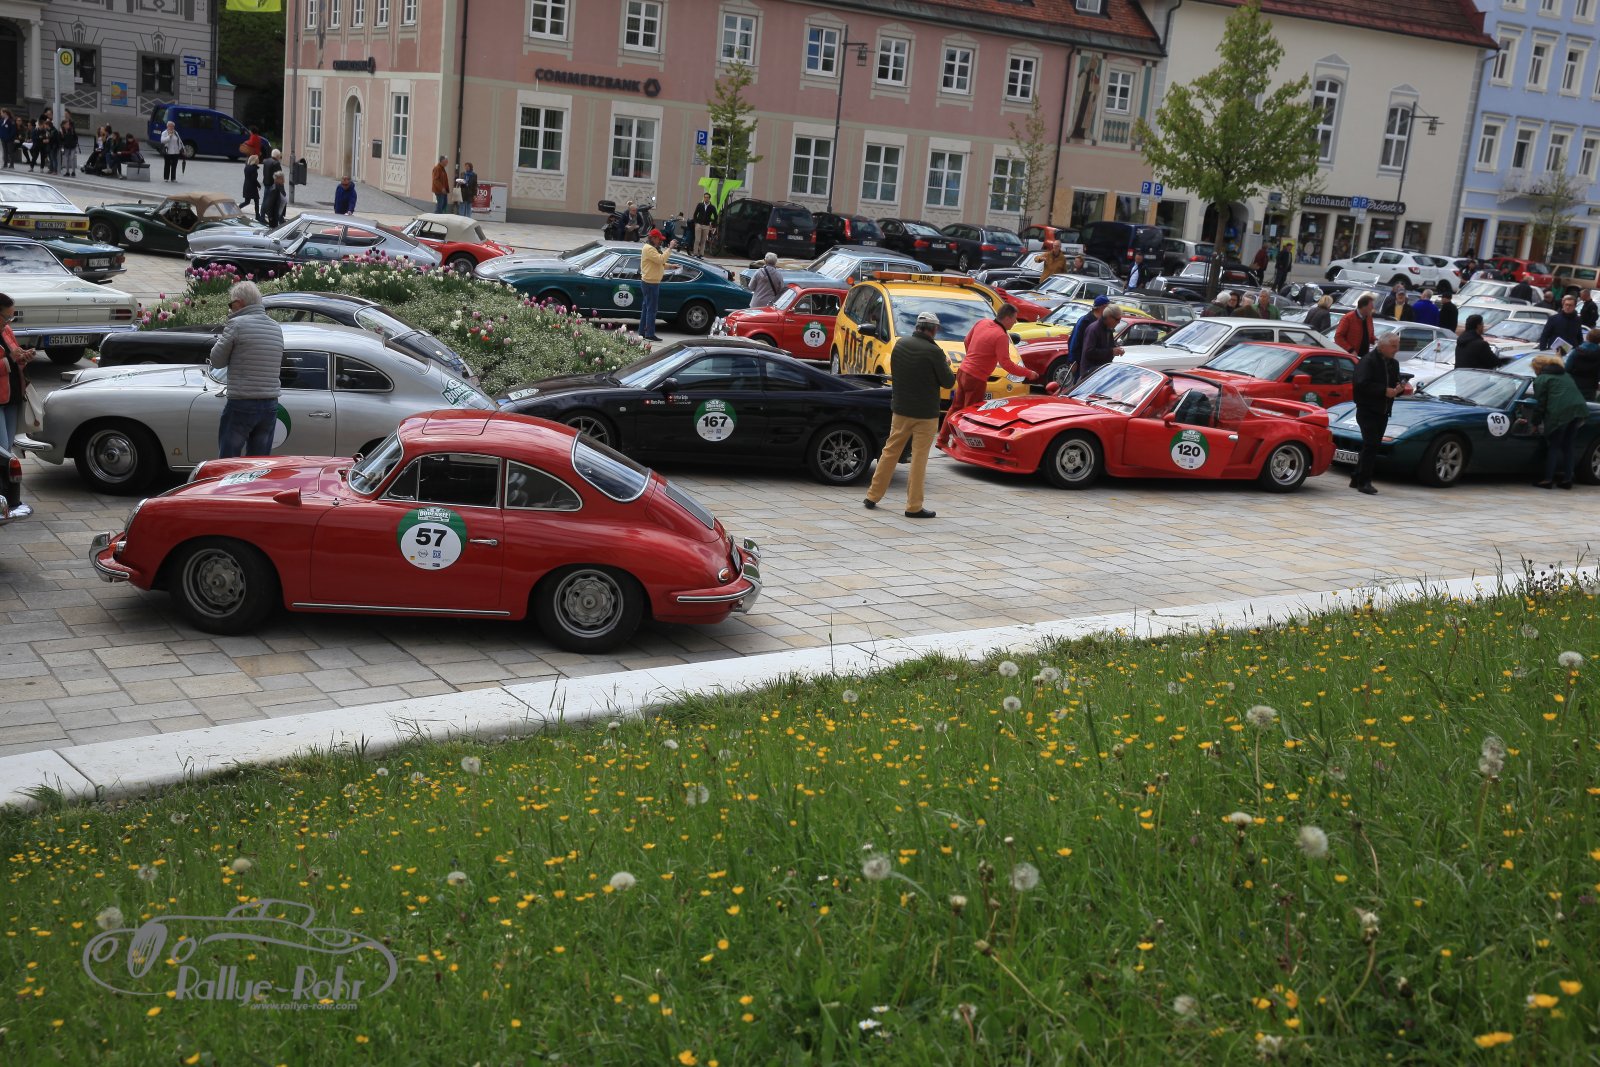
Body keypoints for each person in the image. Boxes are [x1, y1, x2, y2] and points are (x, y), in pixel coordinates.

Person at [863, 311, 952, 519]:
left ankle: (872, 495)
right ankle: (914, 506)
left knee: (890, 452)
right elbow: (948, 382)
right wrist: (946, 365)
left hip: (901, 410)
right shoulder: (934, 352)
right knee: (919, 459)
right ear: (934, 329)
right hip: (926, 414)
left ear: (917, 327)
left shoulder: (900, 345)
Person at [938, 304, 1035, 448]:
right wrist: (1028, 373)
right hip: (976, 378)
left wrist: (972, 357)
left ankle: (942, 439)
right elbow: (1006, 364)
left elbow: (966, 341)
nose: (1015, 322)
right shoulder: (1001, 336)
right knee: (969, 414)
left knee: (955, 407)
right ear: (1007, 318)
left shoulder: (982, 322)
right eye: (1014, 319)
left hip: (963, 371)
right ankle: (961, 446)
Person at [210, 282, 285, 458]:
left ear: (239, 303)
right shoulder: (276, 327)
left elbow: (217, 360)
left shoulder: (236, 325)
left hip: (242, 402)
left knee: (229, 461)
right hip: (270, 404)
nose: (230, 309)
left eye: (231, 304)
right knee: (258, 462)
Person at [1350, 332, 1406, 495]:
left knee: (1372, 445)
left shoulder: (1393, 363)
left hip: (1383, 410)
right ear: (1382, 346)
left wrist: (1399, 389)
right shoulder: (1368, 361)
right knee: (1371, 445)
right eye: (1393, 346)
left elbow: (1394, 383)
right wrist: (1383, 391)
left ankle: (1356, 477)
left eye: (1398, 346)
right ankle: (1364, 482)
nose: (1396, 349)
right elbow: (1361, 384)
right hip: (1367, 409)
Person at [1528, 353, 1589, 489]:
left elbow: (1540, 404)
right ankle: (1567, 479)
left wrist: (1535, 423)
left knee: (1554, 446)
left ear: (1537, 368)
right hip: (1579, 410)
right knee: (1568, 446)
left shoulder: (1542, 379)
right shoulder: (1566, 375)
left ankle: (1548, 480)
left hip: (1560, 413)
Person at [0, 293, 38, 449]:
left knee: (8, 446)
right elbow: (10, 359)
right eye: (6, 317)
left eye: (11, 318)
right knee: (2, 448)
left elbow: (15, 359)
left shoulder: (6, 330)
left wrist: (24, 357)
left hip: (13, 397)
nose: (9, 322)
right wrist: (11, 359)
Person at [638, 228, 673, 342]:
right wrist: (670, 248)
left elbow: (658, 263)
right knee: (651, 309)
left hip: (649, 282)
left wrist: (671, 266)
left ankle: (642, 332)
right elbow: (660, 259)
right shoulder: (649, 249)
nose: (660, 241)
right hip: (651, 283)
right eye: (659, 239)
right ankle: (649, 334)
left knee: (646, 308)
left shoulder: (650, 248)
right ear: (653, 238)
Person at [1065, 295, 1110, 381]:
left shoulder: (1104, 323)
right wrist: (1072, 361)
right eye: (1108, 307)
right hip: (1082, 364)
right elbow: (1074, 341)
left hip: (1097, 365)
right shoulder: (1085, 321)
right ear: (1103, 307)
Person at [1079, 306, 1124, 382]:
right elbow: (1088, 352)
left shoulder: (1108, 329)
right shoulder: (1094, 329)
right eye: (1117, 319)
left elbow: (1109, 347)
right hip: (1090, 374)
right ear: (1109, 317)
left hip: (1102, 371)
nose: (1119, 322)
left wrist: (1116, 350)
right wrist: (1111, 351)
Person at [1565, 328, 1600, 400]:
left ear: (1587, 337)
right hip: (1590, 387)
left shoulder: (1576, 351)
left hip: (1574, 384)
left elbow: (1567, 368)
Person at [692, 193, 717, 257]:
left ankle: (701, 254)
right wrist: (695, 222)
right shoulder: (700, 205)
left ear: (709, 198)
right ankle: (695, 253)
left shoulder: (712, 207)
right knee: (697, 240)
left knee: (703, 240)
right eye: (705, 197)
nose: (706, 198)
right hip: (699, 225)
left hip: (706, 226)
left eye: (707, 197)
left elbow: (716, 216)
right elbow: (695, 214)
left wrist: (713, 224)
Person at [241, 155, 261, 220]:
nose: (259, 161)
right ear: (255, 161)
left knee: (247, 202)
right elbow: (254, 179)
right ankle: (257, 216)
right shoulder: (254, 169)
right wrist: (259, 185)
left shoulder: (246, 167)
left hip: (246, 186)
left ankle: (237, 209)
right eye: (258, 160)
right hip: (252, 188)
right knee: (256, 201)